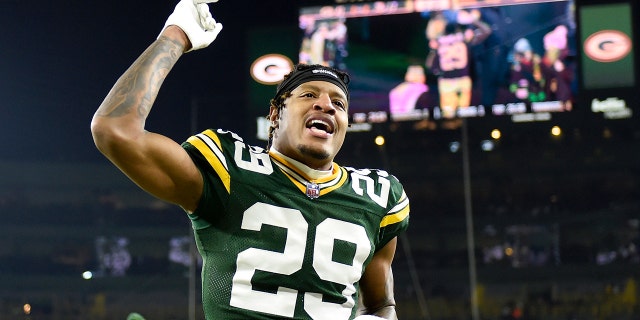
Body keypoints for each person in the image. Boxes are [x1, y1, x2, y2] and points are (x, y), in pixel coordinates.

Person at [90, 1, 410, 319]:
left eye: (338, 103)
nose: (326, 105)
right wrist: (175, 36)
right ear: (274, 114)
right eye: (309, 95)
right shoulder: (230, 168)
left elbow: (380, 305)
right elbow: (115, 131)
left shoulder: (377, 196)